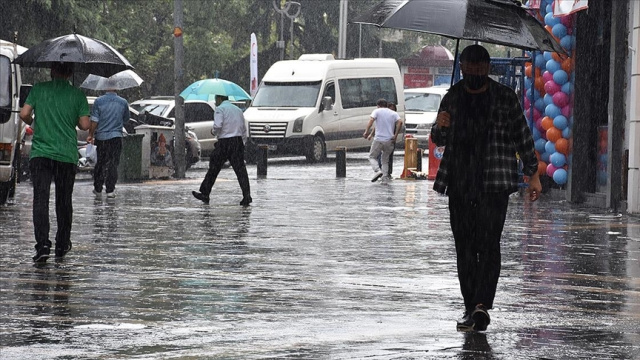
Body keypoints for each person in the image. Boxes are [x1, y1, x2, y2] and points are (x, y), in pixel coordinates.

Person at [430, 44, 542, 331]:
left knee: (489, 245)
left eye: (480, 66)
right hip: (459, 183)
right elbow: (438, 139)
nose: (475, 71)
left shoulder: (504, 98)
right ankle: (471, 306)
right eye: (469, 66)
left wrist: (533, 173)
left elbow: (522, 136)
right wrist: (440, 125)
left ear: (488, 68)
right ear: (463, 67)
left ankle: (481, 305)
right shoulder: (452, 97)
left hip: (494, 184)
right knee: (465, 247)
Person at [19, 62, 91, 263]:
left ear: (52, 71)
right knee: (63, 200)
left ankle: (42, 245)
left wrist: (37, 122)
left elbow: (24, 114)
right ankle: (61, 243)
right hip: (66, 155)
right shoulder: (77, 95)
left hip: (41, 153)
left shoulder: (39, 89)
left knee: (40, 199)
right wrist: (72, 118)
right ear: (70, 73)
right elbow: (85, 125)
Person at [192, 94, 252, 206]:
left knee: (214, 168)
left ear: (219, 99)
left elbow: (218, 125)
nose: (215, 102)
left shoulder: (220, 109)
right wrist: (242, 143)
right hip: (237, 142)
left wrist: (213, 132)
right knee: (241, 171)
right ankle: (247, 195)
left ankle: (205, 192)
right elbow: (244, 129)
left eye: (216, 99)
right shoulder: (238, 110)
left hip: (225, 143)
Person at [86, 86, 129, 198]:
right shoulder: (123, 102)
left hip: (101, 138)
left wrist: (91, 134)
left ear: (105, 87)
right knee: (113, 164)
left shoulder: (99, 101)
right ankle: (110, 190)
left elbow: (94, 120)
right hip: (116, 137)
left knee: (100, 163)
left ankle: (98, 188)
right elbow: (126, 119)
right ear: (117, 88)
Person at [363, 98, 402, 182]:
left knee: (372, 156)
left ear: (378, 106)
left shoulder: (377, 111)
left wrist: (366, 131)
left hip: (379, 139)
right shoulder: (393, 113)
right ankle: (384, 176)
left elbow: (371, 120)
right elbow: (400, 122)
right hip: (389, 140)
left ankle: (377, 171)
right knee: (385, 159)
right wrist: (395, 135)